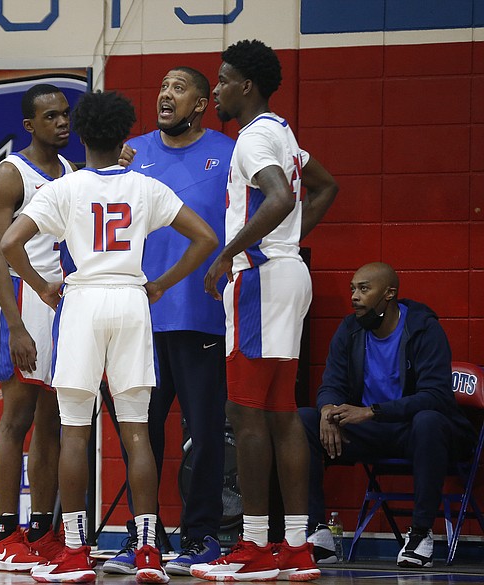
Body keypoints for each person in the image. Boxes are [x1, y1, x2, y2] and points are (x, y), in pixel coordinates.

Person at [1, 90, 219, 584]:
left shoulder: (65, 188)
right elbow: (206, 237)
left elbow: (10, 242)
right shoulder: (145, 186)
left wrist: (41, 287)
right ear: (125, 135)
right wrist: (161, 283)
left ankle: (76, 552)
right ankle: (147, 552)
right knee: (137, 432)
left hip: (81, 301)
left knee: (75, 430)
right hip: (129, 299)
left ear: (80, 133)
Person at [194, 39, 338, 582]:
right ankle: (296, 546)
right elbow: (324, 187)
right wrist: (290, 240)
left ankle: (254, 547)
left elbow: (278, 198)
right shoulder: (284, 132)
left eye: (224, 79)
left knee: (247, 413)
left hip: (260, 279)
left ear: (246, 85)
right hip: (286, 273)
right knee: (280, 414)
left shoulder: (253, 138)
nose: (217, 89)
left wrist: (229, 253)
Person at [103, 66, 233, 577]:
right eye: (163, 86)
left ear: (201, 103)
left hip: (202, 315)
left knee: (204, 435)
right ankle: (144, 539)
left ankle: (201, 537)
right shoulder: (129, 154)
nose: (165, 93)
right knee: (142, 433)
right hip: (139, 319)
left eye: (179, 88)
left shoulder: (227, 152)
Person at [299, 262, 476, 568]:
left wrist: (373, 411)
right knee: (304, 419)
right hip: (371, 433)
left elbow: (436, 397)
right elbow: (331, 384)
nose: (354, 296)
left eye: (364, 289)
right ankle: (318, 534)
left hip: (415, 431)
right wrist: (327, 410)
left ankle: (420, 535)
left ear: (389, 294)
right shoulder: (350, 329)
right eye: (353, 288)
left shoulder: (424, 328)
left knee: (429, 420)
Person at [0, 83, 74, 571]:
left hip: (60, 302)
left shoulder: (73, 172)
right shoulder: (11, 173)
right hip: (21, 298)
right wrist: (16, 326)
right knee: (16, 418)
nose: (62, 122)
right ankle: (5, 532)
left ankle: (41, 528)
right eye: (51, 116)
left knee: (52, 423)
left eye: (65, 115)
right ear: (30, 124)